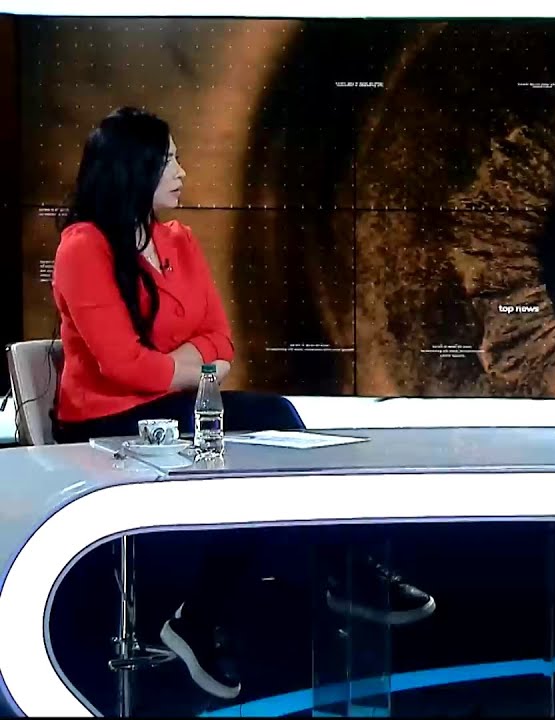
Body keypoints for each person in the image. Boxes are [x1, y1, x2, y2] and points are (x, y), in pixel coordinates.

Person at [51, 107, 437, 701]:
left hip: (178, 407)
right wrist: (189, 367)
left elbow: (221, 344)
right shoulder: (83, 247)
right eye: (169, 160)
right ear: (135, 168)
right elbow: (119, 365)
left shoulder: (178, 241)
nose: (182, 172)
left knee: (276, 421)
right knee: (261, 434)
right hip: (106, 422)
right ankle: (245, 602)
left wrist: (177, 366)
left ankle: (322, 576)